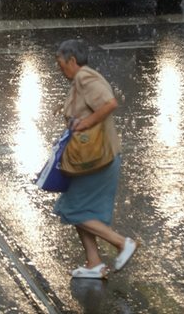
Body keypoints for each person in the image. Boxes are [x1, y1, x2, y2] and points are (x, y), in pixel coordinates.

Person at [53, 39, 138, 279]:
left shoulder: (84, 77)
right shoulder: (79, 80)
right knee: (81, 208)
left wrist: (84, 123)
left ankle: (122, 243)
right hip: (93, 158)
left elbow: (110, 103)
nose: (59, 68)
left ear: (72, 60)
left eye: (60, 62)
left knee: (71, 209)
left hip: (97, 159)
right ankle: (94, 263)